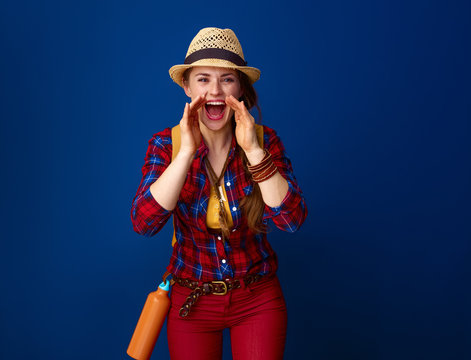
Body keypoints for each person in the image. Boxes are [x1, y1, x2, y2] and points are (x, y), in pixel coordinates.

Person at [131, 27, 307, 360]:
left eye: (226, 79)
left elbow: (291, 220)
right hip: (192, 301)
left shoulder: (264, 141)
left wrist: (253, 152)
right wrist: (185, 154)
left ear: (240, 87)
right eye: (203, 79)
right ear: (186, 86)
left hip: (257, 299)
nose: (215, 91)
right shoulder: (166, 145)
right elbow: (144, 223)